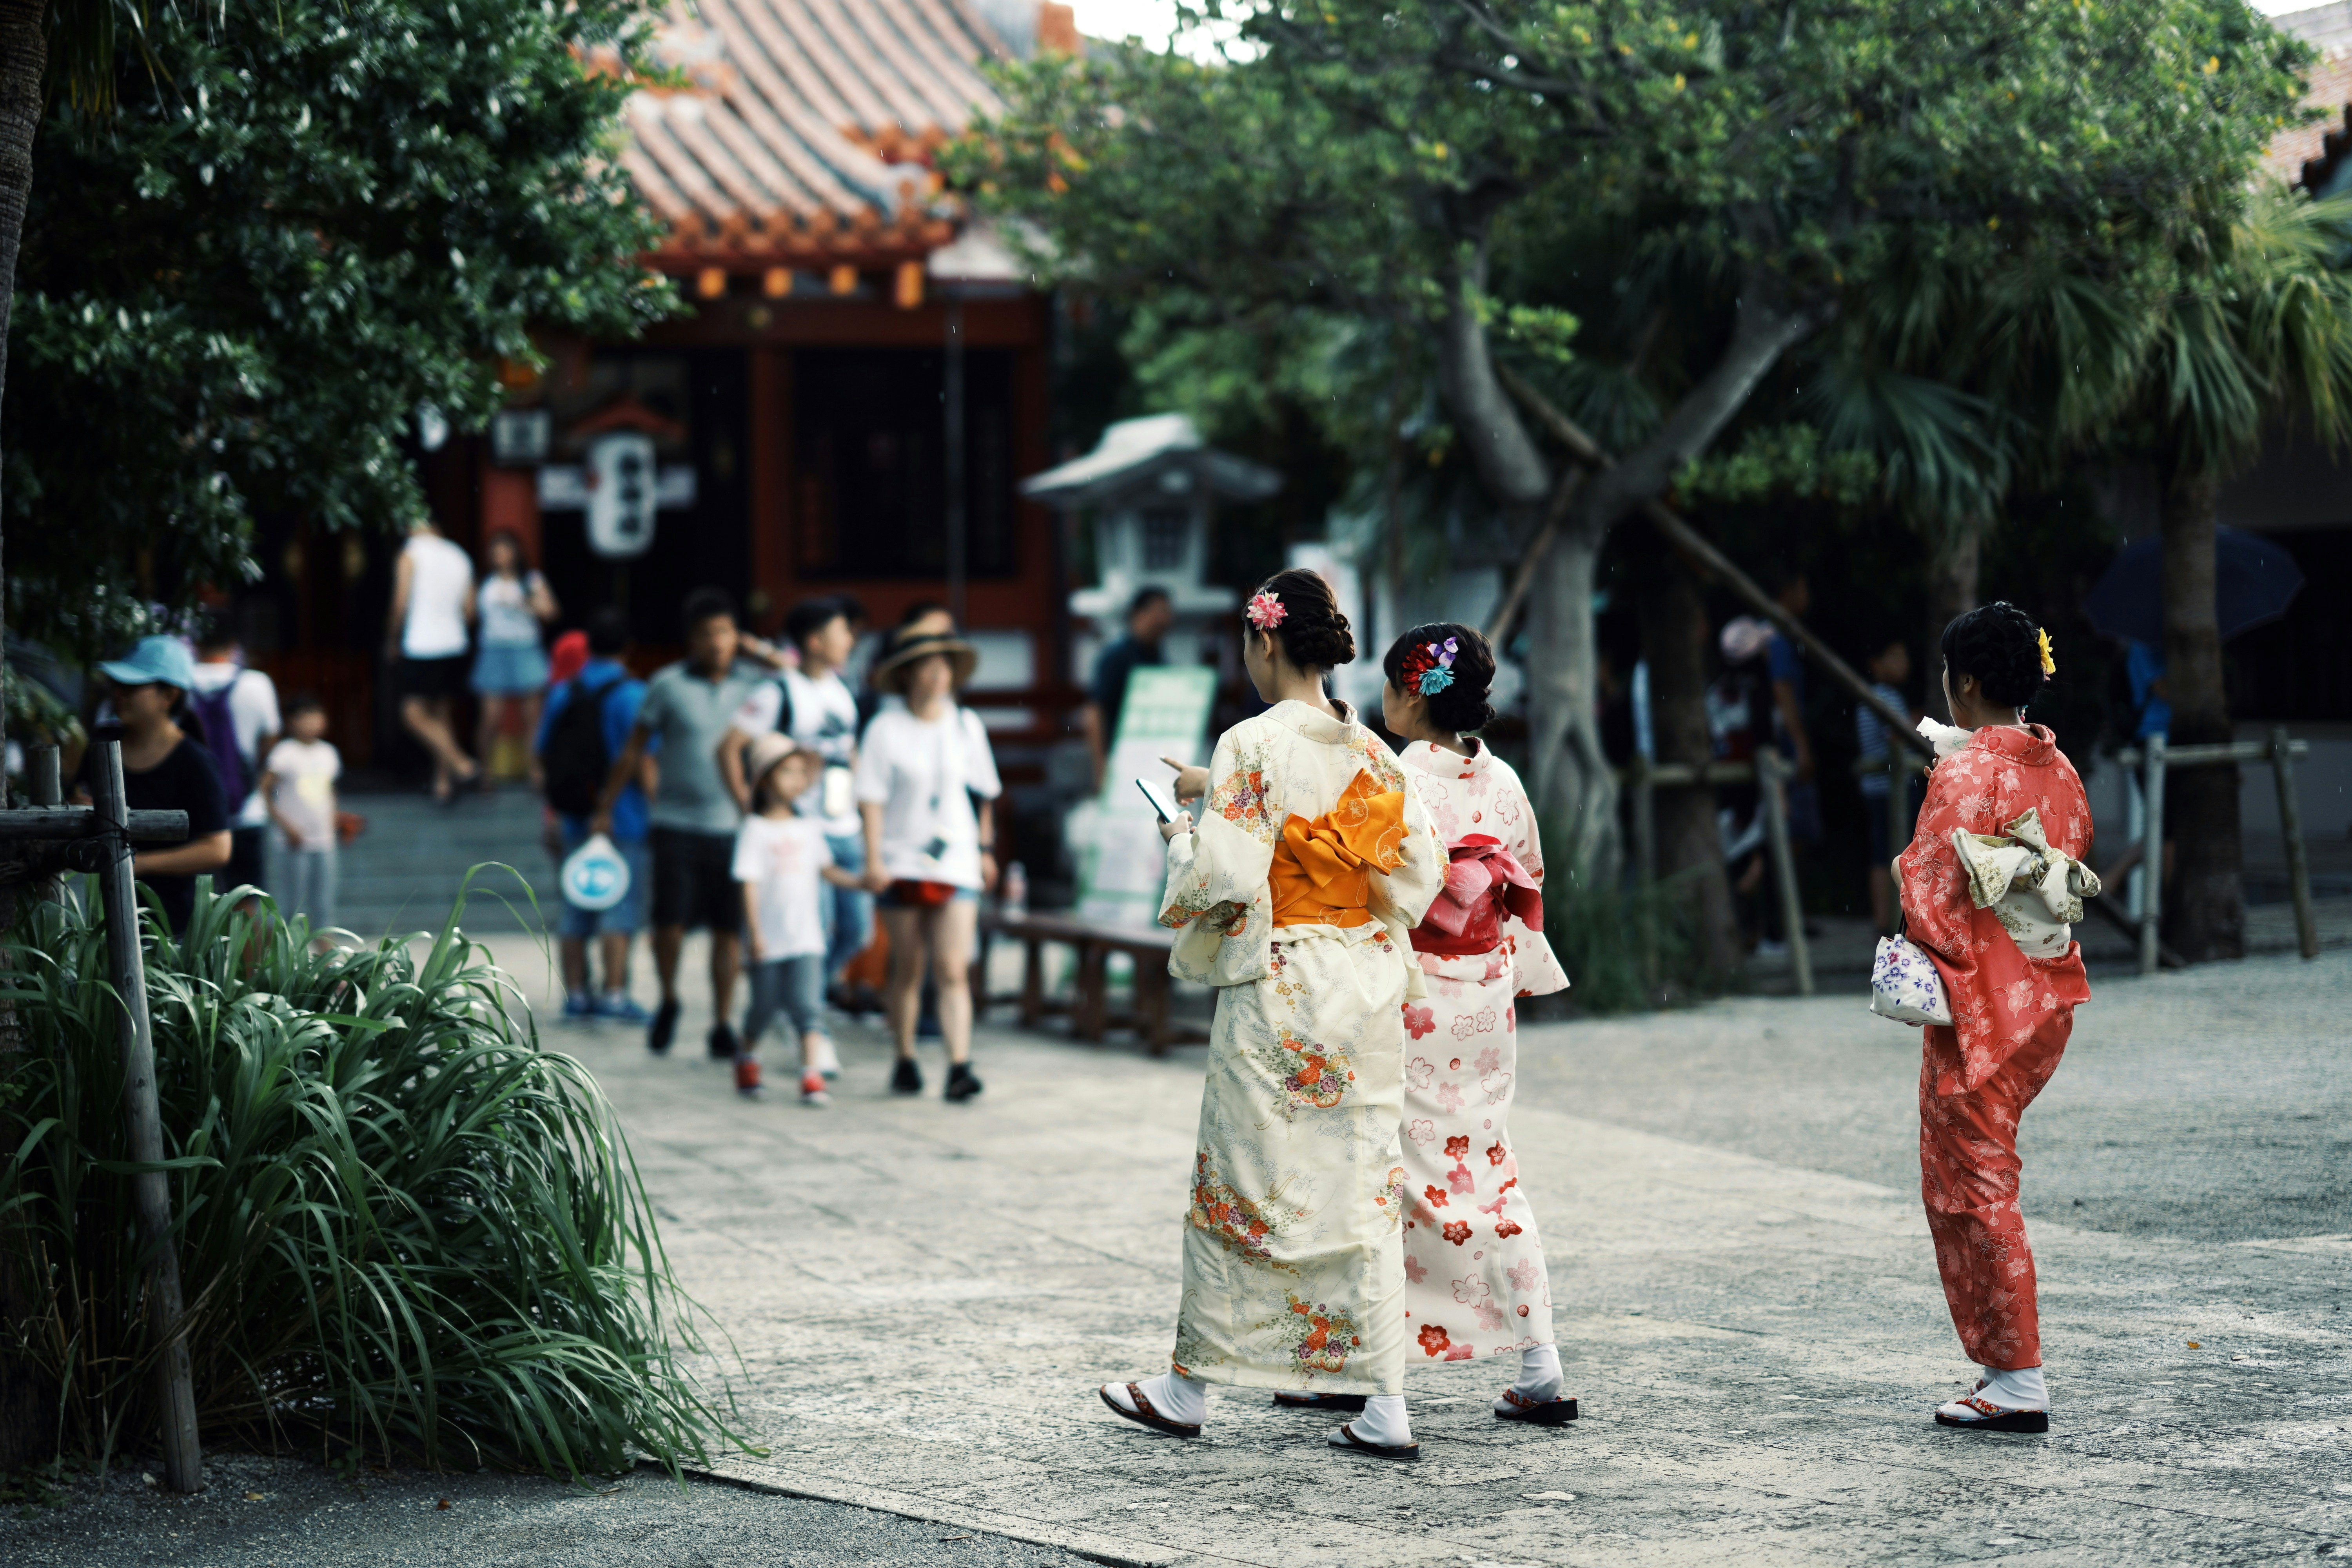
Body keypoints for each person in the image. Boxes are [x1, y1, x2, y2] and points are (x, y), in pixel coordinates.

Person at [1098, 568, 1443, 1461]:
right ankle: (1384, 1405)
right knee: (1362, 1190)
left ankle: (1187, 1388)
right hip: (1362, 980)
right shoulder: (1372, 749)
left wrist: (1184, 835)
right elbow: (1414, 870)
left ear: (1263, 641)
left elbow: (1224, 877)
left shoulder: (1251, 740)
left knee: (1241, 1182)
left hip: (1282, 982)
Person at [1896, 603, 2097, 1434]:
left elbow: (1931, 900)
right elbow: (2070, 846)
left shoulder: (1967, 775)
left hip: (1981, 1004)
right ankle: (2001, 1368)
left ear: (1964, 681)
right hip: (2044, 994)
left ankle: (2014, 1375)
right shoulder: (2057, 765)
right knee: (1985, 1173)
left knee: (1973, 1187)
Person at [1373, 623, 1576, 1427]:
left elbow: (1377, 889)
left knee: (1403, 1170)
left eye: (1391, 682)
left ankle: (1375, 1373)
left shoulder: (1395, 780)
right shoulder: (1501, 777)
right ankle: (1540, 1359)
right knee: (1487, 1156)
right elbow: (1530, 867)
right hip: (1486, 988)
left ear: (1409, 692)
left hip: (1417, 987)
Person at [592, 588, 766, 1057]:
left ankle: (723, 1021)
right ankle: (670, 997)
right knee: (668, 926)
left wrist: (761, 650)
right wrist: (607, 806)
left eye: (727, 632)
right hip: (674, 823)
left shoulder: (755, 687)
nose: (717, 642)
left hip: (732, 827)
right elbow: (634, 748)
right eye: (708, 633)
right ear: (691, 638)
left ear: (738, 636)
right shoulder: (666, 684)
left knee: (728, 932)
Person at [718, 594, 869, 1065]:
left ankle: (801, 1004)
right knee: (817, 932)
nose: (850, 640)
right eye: (843, 631)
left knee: (857, 931)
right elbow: (730, 748)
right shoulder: (775, 693)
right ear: (816, 640)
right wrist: (751, 807)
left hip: (846, 826)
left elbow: (850, 750)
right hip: (802, 831)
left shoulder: (841, 688)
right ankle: (813, 1029)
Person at [854, 628, 1001, 1102]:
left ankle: (959, 1063)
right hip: (900, 858)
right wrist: (873, 857)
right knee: (908, 965)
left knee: (953, 966)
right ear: (907, 673)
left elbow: (983, 793)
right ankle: (905, 1056)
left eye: (944, 665)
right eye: (926, 665)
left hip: (955, 858)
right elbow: (871, 799)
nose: (938, 674)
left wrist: (985, 848)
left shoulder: (965, 725)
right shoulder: (884, 728)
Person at [72, 636, 232, 936]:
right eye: (117, 686)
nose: (119, 694)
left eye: (131, 687)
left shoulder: (196, 762)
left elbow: (218, 849)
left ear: (168, 696)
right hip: (106, 916)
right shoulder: (103, 743)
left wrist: (138, 864)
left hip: (179, 926)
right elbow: (78, 798)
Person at [734, 733, 860, 1105]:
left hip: (807, 936)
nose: (796, 780)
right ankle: (746, 1054)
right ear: (766, 780)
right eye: (787, 771)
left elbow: (828, 870)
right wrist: (755, 933)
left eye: (801, 772)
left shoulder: (809, 828)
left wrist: (860, 882)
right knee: (763, 1006)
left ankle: (811, 1075)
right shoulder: (755, 830)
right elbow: (749, 884)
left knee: (809, 1006)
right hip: (769, 938)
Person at [541, 608, 651, 1021]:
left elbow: (543, 756)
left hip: (572, 817)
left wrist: (551, 813)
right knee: (618, 909)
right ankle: (615, 996)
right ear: (628, 647)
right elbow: (644, 761)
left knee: (574, 907)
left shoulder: (563, 692)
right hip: (624, 820)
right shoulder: (634, 695)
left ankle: (576, 997)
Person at [385, 517, 481, 802]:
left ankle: (461, 763)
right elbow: (470, 610)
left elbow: (400, 603)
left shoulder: (410, 554)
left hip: (421, 643)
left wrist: (393, 637)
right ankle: (443, 782)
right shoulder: (459, 555)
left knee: (412, 714)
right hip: (454, 642)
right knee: (440, 712)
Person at [187, 621, 281, 907]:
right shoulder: (257, 683)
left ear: (195, 646)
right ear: (234, 647)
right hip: (246, 808)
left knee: (197, 900)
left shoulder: (179, 683)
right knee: (248, 899)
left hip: (192, 810)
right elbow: (270, 739)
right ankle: (250, 954)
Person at [470, 529, 559, 783]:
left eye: (505, 550)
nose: (500, 556)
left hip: (525, 648)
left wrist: (525, 602)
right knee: (491, 718)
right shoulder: (485, 583)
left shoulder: (531, 580)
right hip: (494, 649)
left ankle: (536, 771)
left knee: (532, 717)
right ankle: (485, 772)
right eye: (496, 551)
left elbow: (550, 612)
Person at [261, 693, 341, 938]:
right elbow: (265, 790)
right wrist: (286, 826)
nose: (313, 722)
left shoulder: (328, 753)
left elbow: (329, 790)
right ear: (292, 722)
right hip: (292, 842)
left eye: (317, 716)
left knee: (324, 908)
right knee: (288, 907)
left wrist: (335, 820)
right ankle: (274, 963)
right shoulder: (284, 753)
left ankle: (328, 968)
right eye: (305, 717)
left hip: (325, 841)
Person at [1857, 637, 1920, 936]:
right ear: (1876, 665)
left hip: (1876, 788)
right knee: (1889, 852)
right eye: (1894, 657)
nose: (1902, 664)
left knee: (1883, 851)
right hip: (1888, 787)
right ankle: (1887, 918)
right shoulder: (1884, 697)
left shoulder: (1872, 696)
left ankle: (1885, 918)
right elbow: (1896, 736)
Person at [1084, 586, 1174, 788]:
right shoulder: (1116, 657)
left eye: (1167, 613)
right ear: (1139, 614)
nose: (1165, 620)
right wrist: (1100, 765)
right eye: (1159, 611)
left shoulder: (1158, 656)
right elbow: (1094, 712)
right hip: (1120, 756)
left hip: (1150, 756)